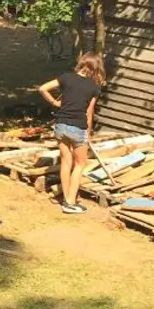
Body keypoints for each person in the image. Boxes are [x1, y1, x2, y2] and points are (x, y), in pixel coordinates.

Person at [38, 51, 105, 214]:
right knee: (80, 164)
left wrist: (55, 103)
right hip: (77, 128)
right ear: (96, 68)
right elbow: (89, 113)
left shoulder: (66, 77)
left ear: (81, 63)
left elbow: (42, 88)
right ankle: (70, 202)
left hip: (60, 126)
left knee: (66, 162)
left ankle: (65, 199)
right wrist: (88, 134)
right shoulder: (94, 87)